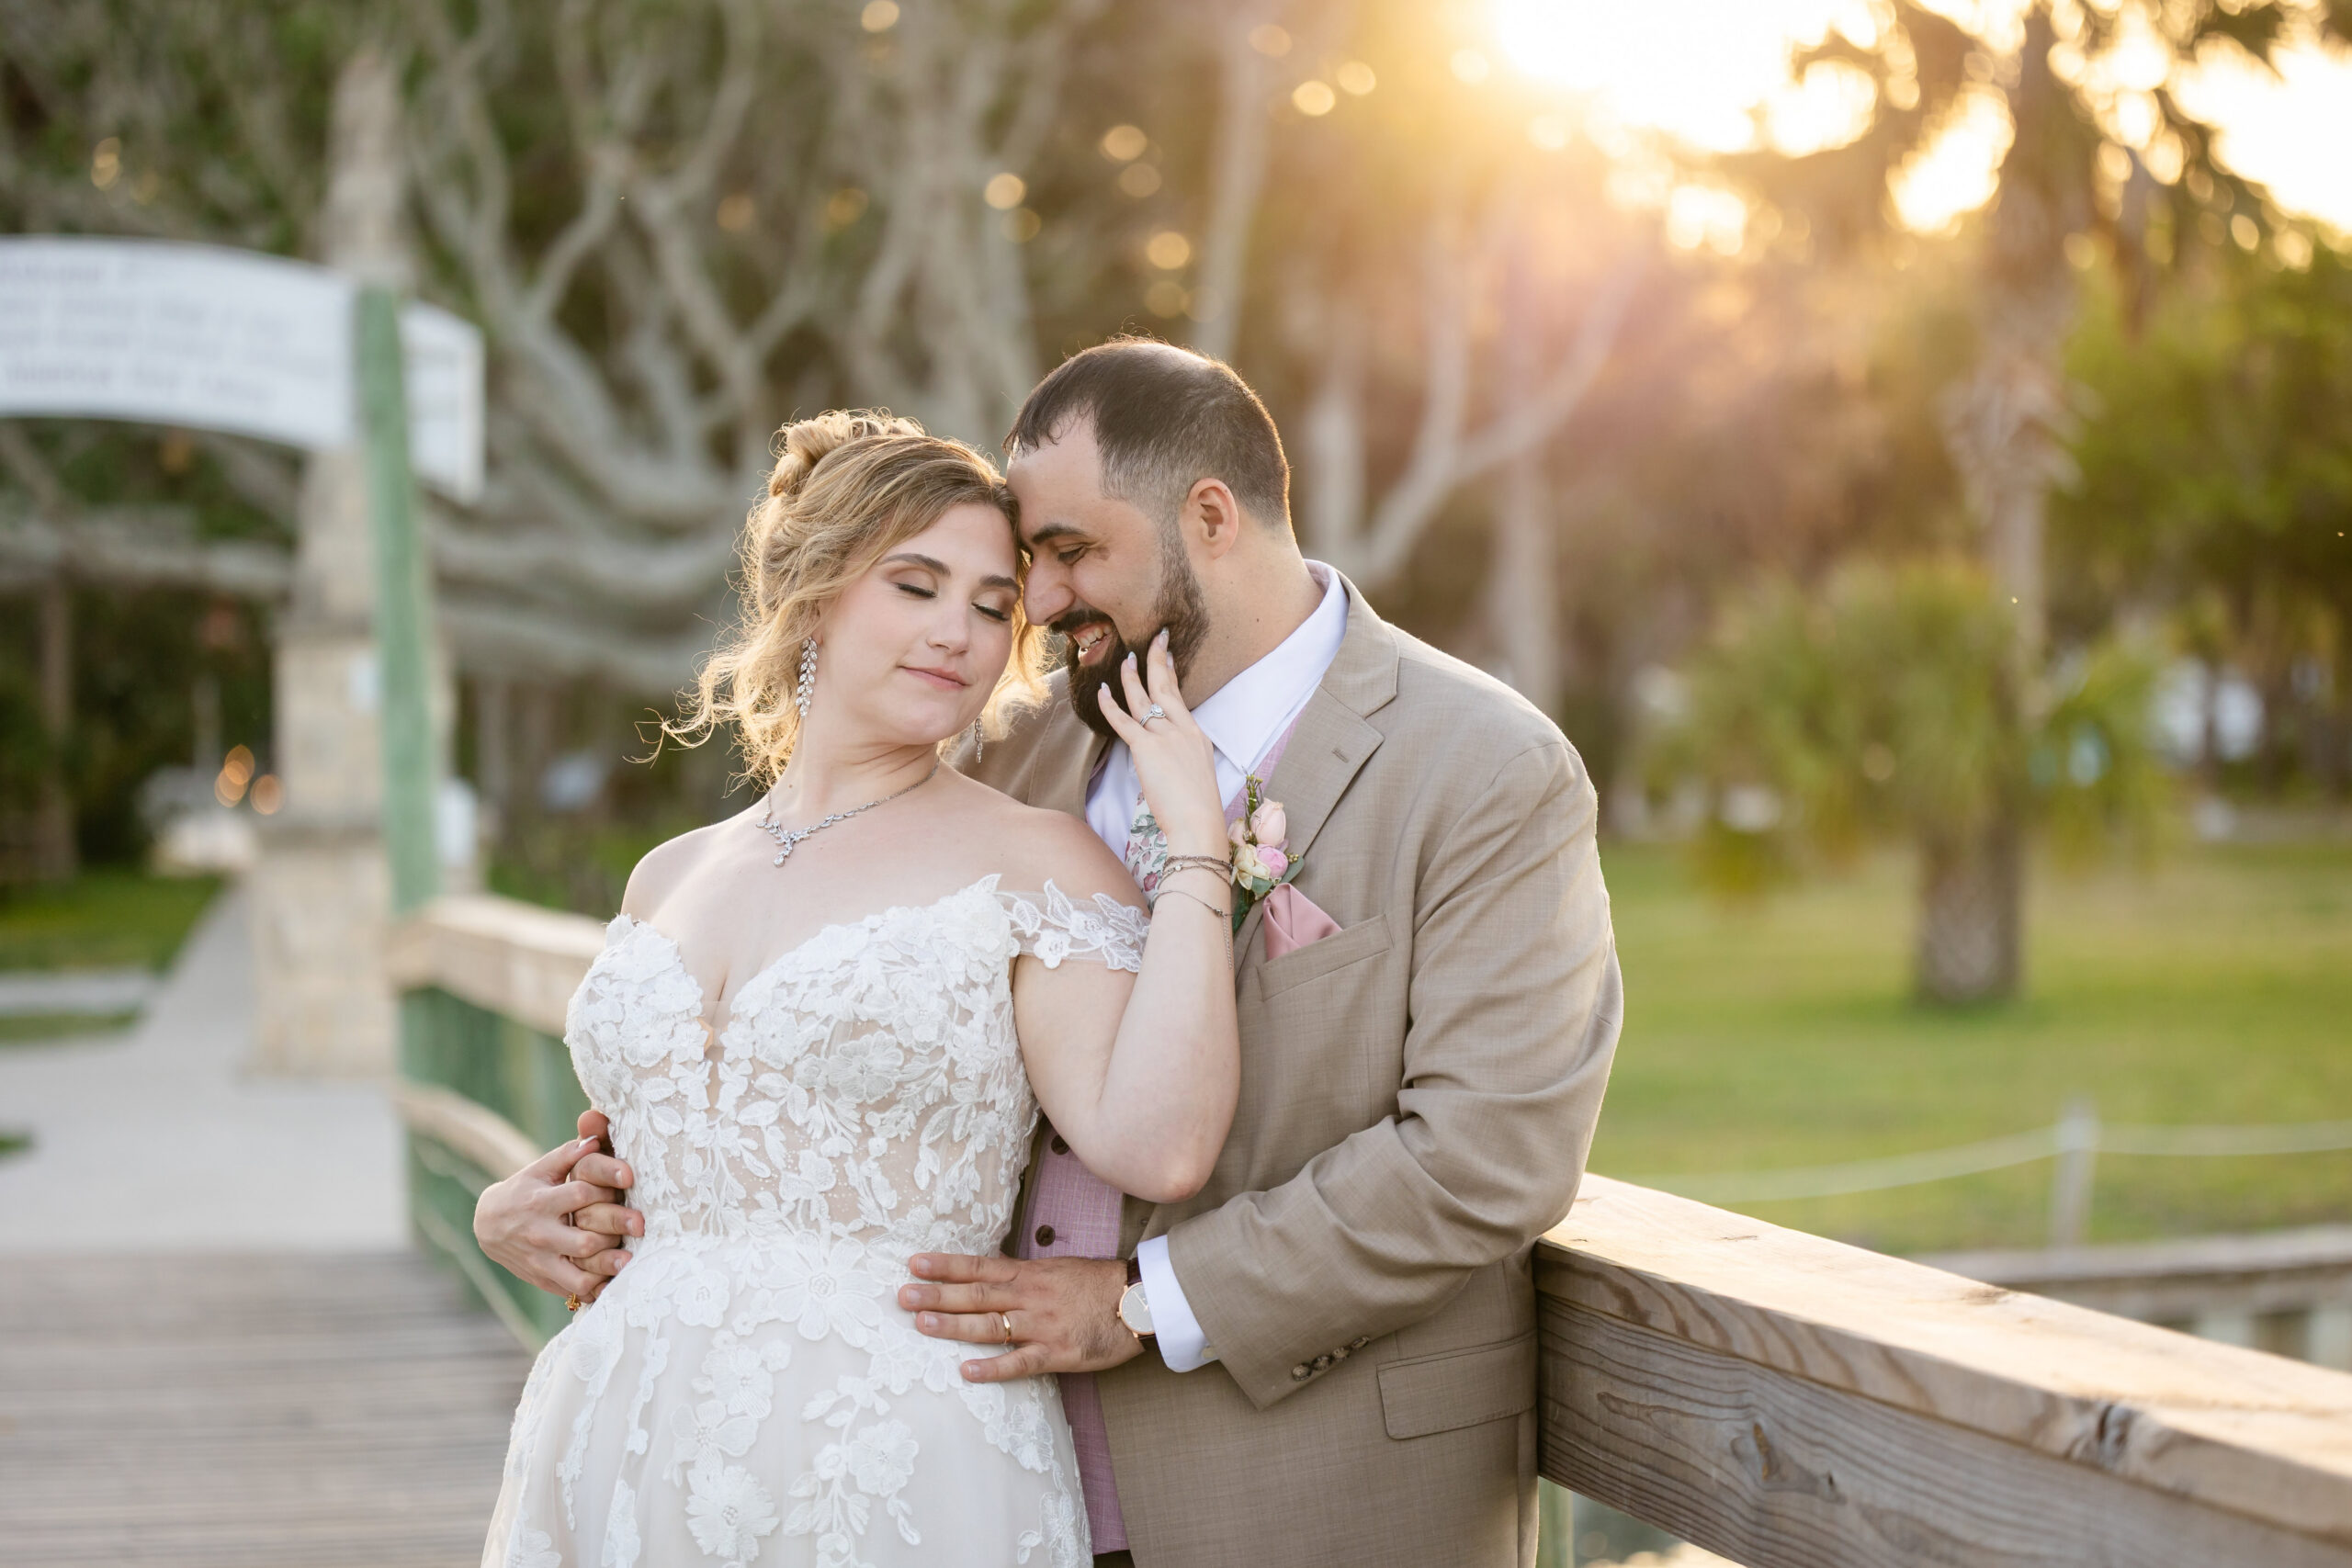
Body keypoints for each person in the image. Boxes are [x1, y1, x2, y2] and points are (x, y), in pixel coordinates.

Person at [484, 341, 1623, 1568]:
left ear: (1210, 516)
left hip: (1297, 1477)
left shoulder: (1482, 766)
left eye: (1069, 555)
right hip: (956, 1453)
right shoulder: (1020, 750)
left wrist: (1143, 1301)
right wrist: (560, 1196)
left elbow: (1486, 1157)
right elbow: (837, 1056)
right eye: (1026, 568)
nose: (1033, 610)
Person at [473, 410, 1243, 1568]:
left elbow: (1163, 1146)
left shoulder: (1031, 862)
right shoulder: (666, 876)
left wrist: (1195, 851)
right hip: (625, 1429)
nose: (959, 634)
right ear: (816, 592)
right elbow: (678, 1146)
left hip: (893, 1456)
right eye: (917, 586)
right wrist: (510, 1210)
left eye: (993, 606)